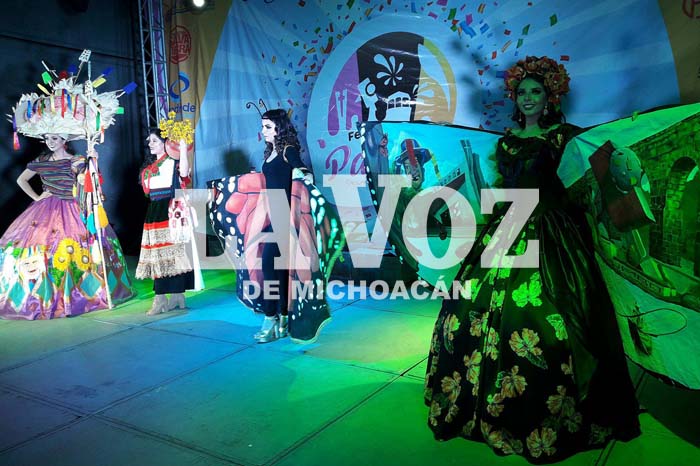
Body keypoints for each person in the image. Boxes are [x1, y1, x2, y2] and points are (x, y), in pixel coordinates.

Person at [424, 56, 640, 462]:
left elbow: (591, 174)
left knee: (551, 317)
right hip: (508, 225)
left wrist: (627, 131)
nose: (528, 98)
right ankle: (479, 399)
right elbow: (504, 188)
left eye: (536, 92)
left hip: (553, 230)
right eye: (522, 92)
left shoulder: (564, 138)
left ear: (550, 96)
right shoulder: (505, 142)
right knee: (467, 309)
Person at [0, 134, 134, 319]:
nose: (50, 142)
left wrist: (91, 163)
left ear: (64, 141)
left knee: (75, 249)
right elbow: (21, 180)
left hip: (72, 208)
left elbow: (85, 180)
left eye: (55, 138)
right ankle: (48, 296)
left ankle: (77, 295)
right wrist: (37, 197)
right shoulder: (42, 161)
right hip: (45, 209)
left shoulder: (75, 160)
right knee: (46, 249)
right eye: (48, 138)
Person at [135, 128, 194, 315]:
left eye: (154, 141)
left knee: (173, 255)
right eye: (149, 141)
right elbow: (147, 192)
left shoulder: (173, 162)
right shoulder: (150, 167)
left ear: (166, 143)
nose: (150, 144)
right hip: (154, 211)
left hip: (170, 211)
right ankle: (167, 297)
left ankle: (171, 296)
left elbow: (184, 174)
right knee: (159, 257)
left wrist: (182, 148)